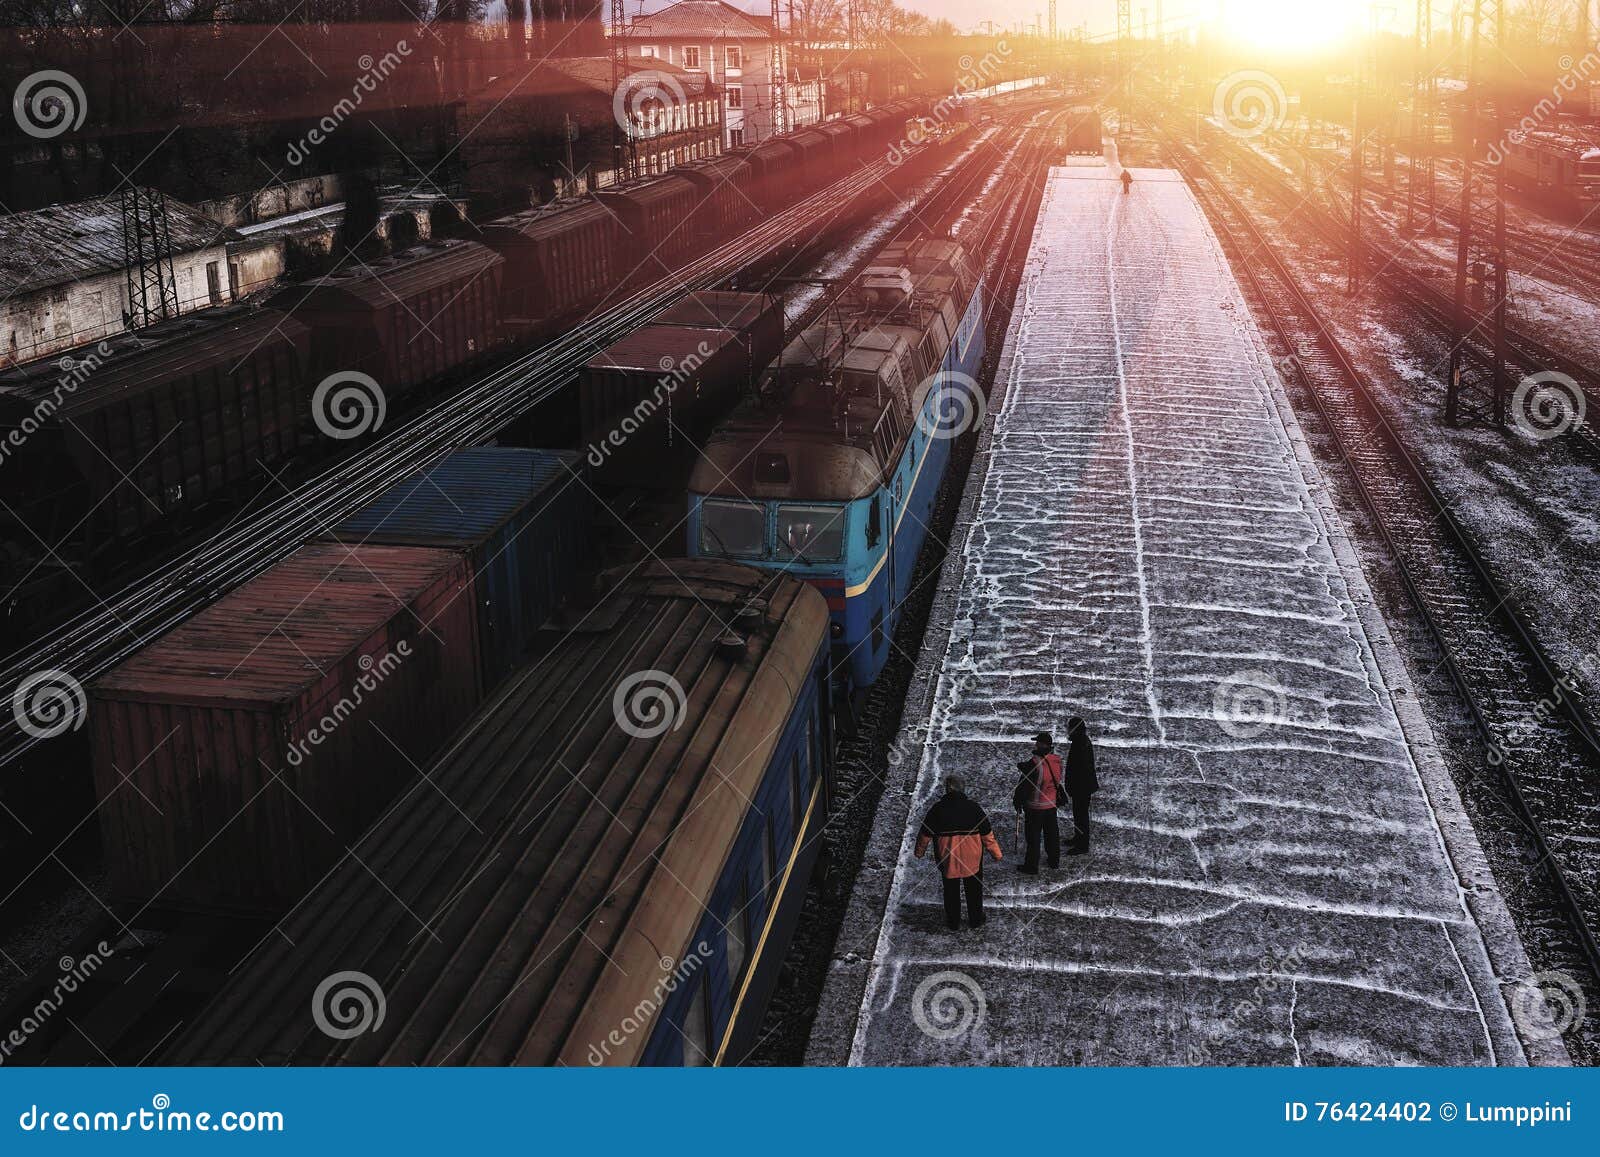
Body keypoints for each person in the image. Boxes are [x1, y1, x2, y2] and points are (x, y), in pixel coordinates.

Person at [915, 775, 1003, 931]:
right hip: (972, 858)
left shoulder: (937, 809)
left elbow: (925, 834)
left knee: (950, 891)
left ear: (948, 789)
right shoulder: (974, 808)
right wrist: (996, 854)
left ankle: (953, 921)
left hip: (948, 858)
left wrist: (919, 852)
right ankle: (975, 919)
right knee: (974, 890)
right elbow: (987, 835)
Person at [1012, 731, 1066, 873]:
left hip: (1035, 806)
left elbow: (1025, 786)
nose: (1035, 744)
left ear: (1042, 744)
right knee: (1052, 835)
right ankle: (1054, 861)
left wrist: (1017, 802)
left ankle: (1031, 866)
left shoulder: (1034, 762)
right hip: (1051, 804)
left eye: (1037, 742)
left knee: (1033, 838)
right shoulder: (1057, 760)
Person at [1063, 716, 1099, 855]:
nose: (1068, 730)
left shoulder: (1080, 743)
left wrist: (1073, 786)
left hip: (1081, 787)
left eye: (1070, 728)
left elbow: (1080, 768)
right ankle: (1079, 838)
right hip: (1083, 786)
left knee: (1081, 815)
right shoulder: (1081, 740)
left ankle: (1082, 845)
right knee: (1079, 815)